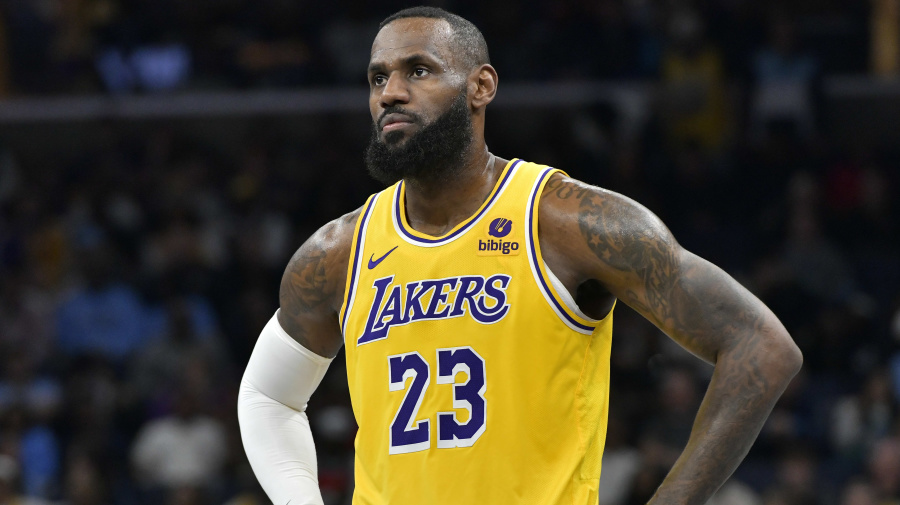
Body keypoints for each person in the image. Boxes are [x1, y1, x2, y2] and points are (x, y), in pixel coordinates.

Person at [237, 6, 803, 505]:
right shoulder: (338, 252)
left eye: (419, 70)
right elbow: (267, 397)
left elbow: (762, 345)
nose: (390, 92)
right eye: (377, 77)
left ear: (481, 86)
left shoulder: (567, 222)